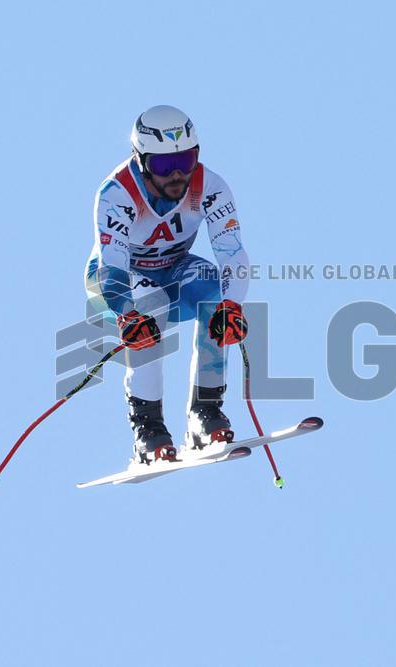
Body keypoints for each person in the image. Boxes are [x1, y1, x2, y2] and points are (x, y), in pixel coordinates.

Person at [84, 105, 250, 465]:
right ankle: (148, 429)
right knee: (148, 310)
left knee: (213, 293)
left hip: (174, 271)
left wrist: (231, 307)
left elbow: (232, 253)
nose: (177, 174)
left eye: (187, 160)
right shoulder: (117, 193)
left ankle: (205, 415)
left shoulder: (210, 187)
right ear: (141, 160)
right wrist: (126, 314)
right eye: (162, 165)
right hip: (116, 284)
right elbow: (112, 266)